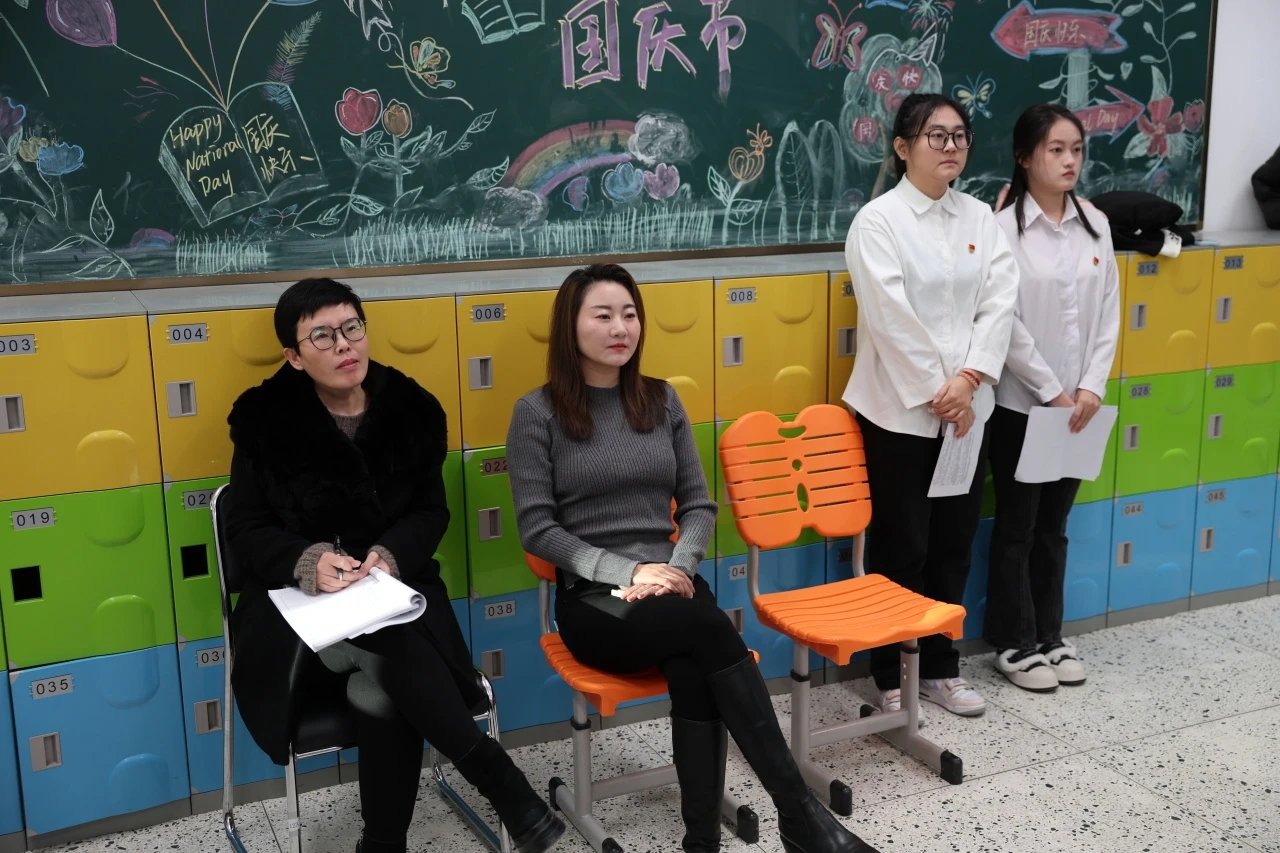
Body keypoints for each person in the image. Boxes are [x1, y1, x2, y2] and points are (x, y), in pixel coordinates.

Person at [506, 264, 877, 853]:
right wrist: (630, 572)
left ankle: (703, 843)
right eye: (603, 315)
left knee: (693, 665)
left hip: (673, 586)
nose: (620, 328)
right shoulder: (537, 413)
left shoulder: (660, 399)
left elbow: (700, 504)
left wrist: (676, 569)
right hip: (597, 601)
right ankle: (800, 815)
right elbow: (537, 531)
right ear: (569, 326)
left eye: (629, 314)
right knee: (708, 631)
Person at [224, 278, 565, 853]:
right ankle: (500, 782)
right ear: (294, 357)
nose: (344, 345)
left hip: (392, 594)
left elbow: (431, 512)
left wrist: (389, 555)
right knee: (389, 644)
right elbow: (246, 527)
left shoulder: (411, 410)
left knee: (381, 686)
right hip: (298, 614)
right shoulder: (265, 422)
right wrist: (308, 561)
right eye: (322, 336)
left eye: (351, 328)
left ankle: (382, 845)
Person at [841, 93, 1019, 718]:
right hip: (898, 414)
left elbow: (1000, 303)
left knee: (953, 543)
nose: (951, 146)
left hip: (970, 413)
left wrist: (969, 381)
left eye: (959, 135)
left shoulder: (981, 219)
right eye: (935, 135)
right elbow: (889, 317)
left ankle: (941, 667)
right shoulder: (878, 221)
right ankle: (892, 672)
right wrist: (941, 393)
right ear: (902, 147)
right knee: (901, 547)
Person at [986, 103, 1120, 691]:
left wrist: (1091, 386)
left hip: (1080, 408)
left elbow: (1109, 310)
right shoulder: (1001, 229)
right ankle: (1013, 642)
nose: (1070, 161)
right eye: (1056, 150)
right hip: (1023, 405)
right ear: (1024, 157)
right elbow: (1004, 322)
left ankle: (1049, 634)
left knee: (1054, 527)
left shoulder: (1095, 222)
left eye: (1077, 150)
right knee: (1017, 525)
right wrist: (1051, 391)